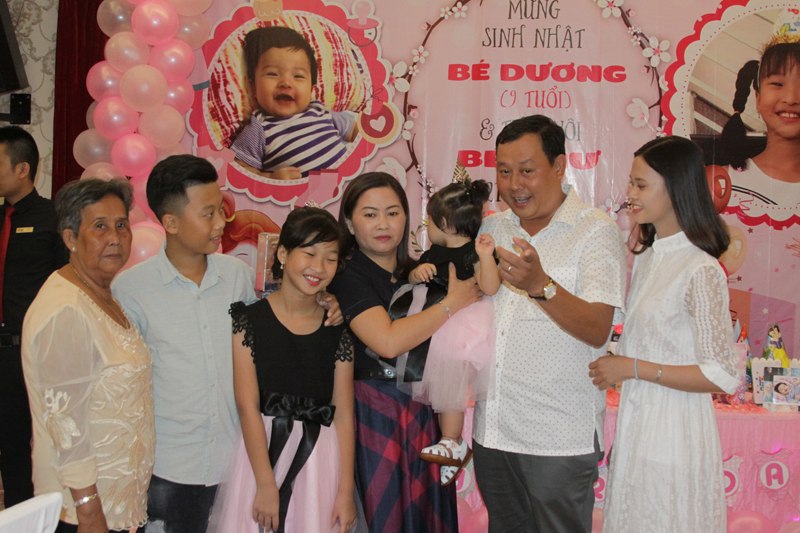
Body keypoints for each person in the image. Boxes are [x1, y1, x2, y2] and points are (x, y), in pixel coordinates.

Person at [473, 115, 626, 533]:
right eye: (504, 172)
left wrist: (541, 286)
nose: (514, 185)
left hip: (559, 437)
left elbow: (598, 328)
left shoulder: (594, 231)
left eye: (527, 171)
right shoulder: (493, 227)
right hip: (493, 430)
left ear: (559, 166)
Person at [590, 136, 740, 532]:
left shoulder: (700, 269)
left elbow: (722, 373)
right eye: (631, 183)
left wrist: (632, 368)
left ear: (674, 188)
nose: (630, 194)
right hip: (638, 428)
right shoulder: (648, 257)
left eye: (641, 185)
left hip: (676, 434)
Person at [328, 171, 481, 532]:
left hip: (424, 410)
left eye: (393, 213)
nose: (383, 224)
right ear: (349, 223)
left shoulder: (420, 270)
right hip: (374, 411)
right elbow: (387, 341)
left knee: (426, 518)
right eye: (370, 214)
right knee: (385, 517)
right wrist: (452, 304)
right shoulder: (347, 275)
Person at [210, 207, 357, 533]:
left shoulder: (337, 330)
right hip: (260, 458)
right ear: (283, 253)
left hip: (318, 462)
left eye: (330, 258)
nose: (319, 267)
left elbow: (344, 415)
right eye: (309, 254)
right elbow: (247, 406)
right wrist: (265, 483)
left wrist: (345, 491)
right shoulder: (249, 321)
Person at [22, 178, 153, 533]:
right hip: (82, 512)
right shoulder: (65, 309)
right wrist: (89, 510)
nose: (115, 237)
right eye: (100, 227)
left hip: (117, 503)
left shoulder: (101, 295)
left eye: (121, 225)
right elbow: (67, 426)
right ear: (70, 239)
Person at [394, 178, 500, 486]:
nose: (428, 227)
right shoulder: (432, 254)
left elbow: (490, 287)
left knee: (450, 386)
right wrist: (417, 273)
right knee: (442, 388)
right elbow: (411, 280)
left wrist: (485, 257)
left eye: (429, 221)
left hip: (462, 329)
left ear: (443, 223)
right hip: (435, 324)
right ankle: (453, 444)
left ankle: (452, 441)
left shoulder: (473, 253)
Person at [0, 126, 66, 508]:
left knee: (39, 447)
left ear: (22, 169)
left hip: (31, 353)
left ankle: (39, 518)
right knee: (8, 450)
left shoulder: (51, 218)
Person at [231, 26, 357, 180]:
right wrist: (270, 178)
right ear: (253, 87)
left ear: (311, 89)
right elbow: (240, 171)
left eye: (298, 76)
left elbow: (356, 131)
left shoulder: (319, 111)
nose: (286, 83)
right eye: (272, 74)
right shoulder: (259, 129)